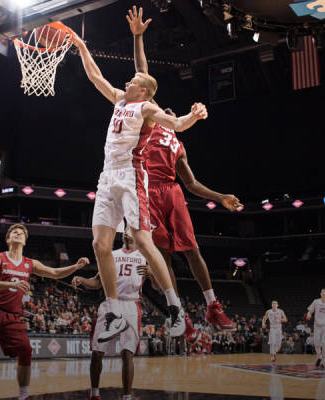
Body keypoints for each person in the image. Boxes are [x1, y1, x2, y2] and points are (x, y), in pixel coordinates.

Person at [72, 20, 208, 340]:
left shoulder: (146, 107)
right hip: (107, 177)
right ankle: (115, 312)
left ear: (143, 90)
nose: (127, 81)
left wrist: (192, 116)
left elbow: (173, 121)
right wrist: (81, 47)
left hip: (132, 177)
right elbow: (95, 76)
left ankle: (174, 307)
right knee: (100, 244)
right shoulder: (120, 99)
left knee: (143, 241)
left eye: (133, 80)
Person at [127, 5, 239, 336]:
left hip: (172, 192)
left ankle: (212, 306)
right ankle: (178, 312)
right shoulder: (150, 117)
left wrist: (220, 197)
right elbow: (143, 72)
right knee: (161, 256)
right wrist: (138, 38)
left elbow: (191, 184)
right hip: (146, 189)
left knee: (191, 250)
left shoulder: (178, 145)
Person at [0, 224, 88, 400]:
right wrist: (12, 284)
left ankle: (24, 396)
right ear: (8, 239)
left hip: (12, 315)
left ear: (25, 240)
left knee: (26, 350)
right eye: (14, 232)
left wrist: (75, 267)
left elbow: (54, 272)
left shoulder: (30, 263)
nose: (18, 234)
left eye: (21, 233)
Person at [72, 225, 154, 400]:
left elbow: (158, 287)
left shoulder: (146, 256)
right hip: (110, 303)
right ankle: (94, 394)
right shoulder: (111, 255)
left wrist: (153, 273)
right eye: (125, 229)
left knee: (127, 353)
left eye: (131, 229)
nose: (126, 231)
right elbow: (97, 282)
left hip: (131, 305)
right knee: (97, 352)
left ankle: (126, 396)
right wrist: (82, 280)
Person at [306, 288, 325, 368]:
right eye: (322, 292)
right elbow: (310, 311)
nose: (323, 293)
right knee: (316, 344)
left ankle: (324, 361)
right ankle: (319, 357)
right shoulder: (316, 301)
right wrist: (308, 314)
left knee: (323, 343)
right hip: (317, 326)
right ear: (320, 294)